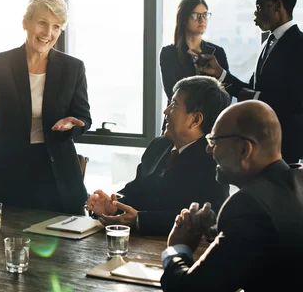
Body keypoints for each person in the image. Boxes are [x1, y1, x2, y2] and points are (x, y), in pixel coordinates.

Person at [0, 0, 91, 215]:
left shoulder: (73, 68)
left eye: (56, 27)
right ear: (25, 23)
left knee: (65, 247)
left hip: (56, 172)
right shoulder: (0, 64)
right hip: (10, 170)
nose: (48, 33)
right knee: (3, 244)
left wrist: (71, 125)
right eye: (42, 23)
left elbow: (84, 118)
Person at [161, 100, 303, 291]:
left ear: (244, 149)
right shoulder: (298, 179)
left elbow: (189, 289)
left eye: (214, 141)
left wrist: (177, 248)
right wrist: (216, 233)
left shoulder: (249, 205)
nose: (208, 149)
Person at [85, 76, 230, 235]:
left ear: (195, 119)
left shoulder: (213, 159)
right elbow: (136, 190)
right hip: (139, 245)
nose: (165, 111)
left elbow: (209, 216)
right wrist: (113, 205)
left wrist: (140, 220)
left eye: (173, 105)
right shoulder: (159, 145)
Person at [202, 0, 303, 164]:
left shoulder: (299, 45)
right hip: (263, 144)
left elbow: (297, 101)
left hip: (286, 148)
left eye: (259, 6)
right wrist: (219, 73)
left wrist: (256, 98)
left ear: (277, 6)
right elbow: (250, 89)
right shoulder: (268, 43)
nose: (255, 13)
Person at [159, 0, 229, 132]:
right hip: (178, 122)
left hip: (209, 124)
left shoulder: (217, 52)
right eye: (195, 15)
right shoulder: (169, 52)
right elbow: (172, 91)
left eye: (205, 15)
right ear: (184, 19)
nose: (201, 20)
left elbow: (225, 90)